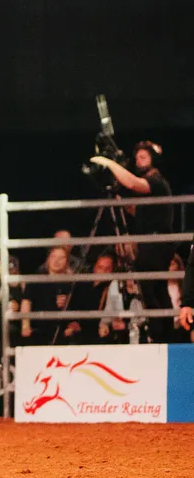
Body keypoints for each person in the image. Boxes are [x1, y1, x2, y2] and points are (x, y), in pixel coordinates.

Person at [91, 140, 174, 341]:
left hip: (156, 243)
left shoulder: (156, 181)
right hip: (152, 241)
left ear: (154, 160)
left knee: (151, 292)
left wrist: (110, 163)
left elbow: (133, 183)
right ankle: (163, 336)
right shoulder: (152, 185)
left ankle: (160, 336)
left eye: (143, 157)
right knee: (155, 292)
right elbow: (139, 211)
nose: (138, 161)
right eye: (137, 158)